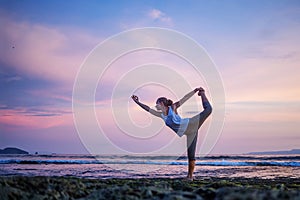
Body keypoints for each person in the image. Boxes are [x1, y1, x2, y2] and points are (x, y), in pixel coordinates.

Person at [131, 87, 212, 181]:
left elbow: (184, 98)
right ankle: (190, 176)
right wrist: (137, 102)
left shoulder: (173, 107)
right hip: (189, 132)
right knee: (191, 155)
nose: (156, 106)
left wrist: (194, 91)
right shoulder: (161, 115)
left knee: (209, 109)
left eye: (156, 104)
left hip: (191, 124)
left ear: (161, 103)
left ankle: (202, 93)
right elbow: (147, 109)